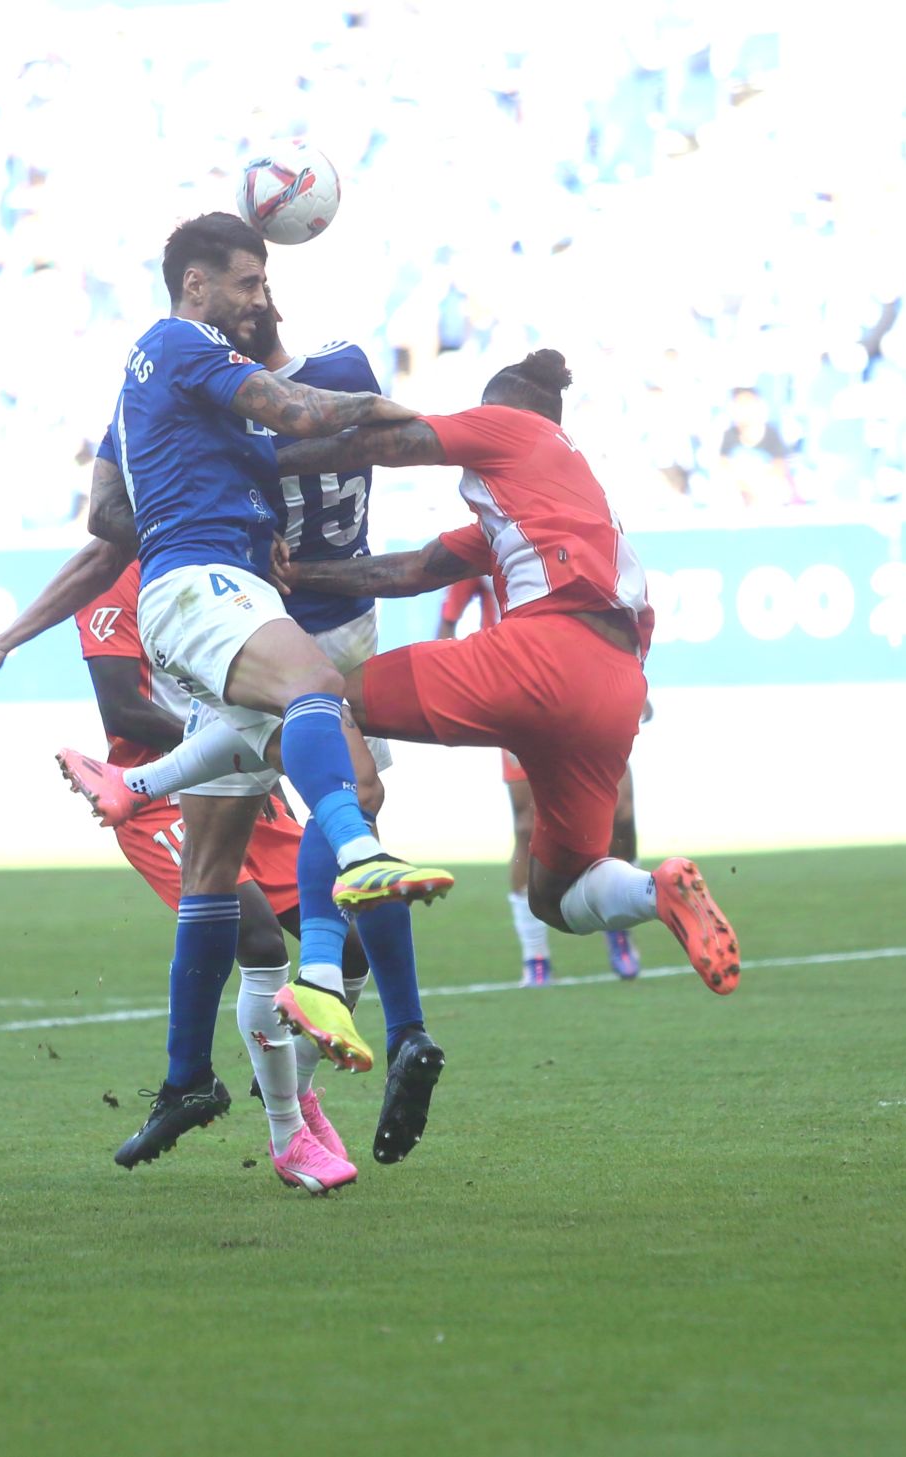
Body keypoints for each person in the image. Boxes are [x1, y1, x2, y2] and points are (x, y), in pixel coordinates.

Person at [53, 213, 450, 1192]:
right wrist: (420, 423)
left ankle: (220, 1080)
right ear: (197, 287)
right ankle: (347, 913)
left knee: (241, 843)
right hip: (229, 613)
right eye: (245, 280)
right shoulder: (185, 357)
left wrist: (232, 482)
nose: (258, 295)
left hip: (236, 608)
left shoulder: (170, 393)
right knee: (328, 741)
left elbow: (116, 504)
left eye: (264, 282)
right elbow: (303, 415)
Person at [246, 349, 741, 993]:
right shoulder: (558, 502)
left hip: (543, 656)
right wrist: (298, 576)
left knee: (322, 697)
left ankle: (345, 861)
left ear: (502, 408)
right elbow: (412, 571)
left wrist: (259, 464)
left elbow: (391, 443)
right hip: (615, 689)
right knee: (556, 897)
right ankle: (656, 891)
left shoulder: (517, 426)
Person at [74, 559, 376, 1156]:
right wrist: (242, 756)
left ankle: (292, 1087)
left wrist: (264, 768)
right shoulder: (119, 581)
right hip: (161, 795)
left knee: (349, 947)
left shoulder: (233, 561)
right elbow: (122, 712)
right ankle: (279, 1129)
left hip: (248, 774)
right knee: (259, 939)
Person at [437, 576, 645, 984]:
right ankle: (535, 956)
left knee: (620, 814)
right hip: (517, 693)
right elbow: (446, 623)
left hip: (590, 684)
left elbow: (619, 610)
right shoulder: (482, 544)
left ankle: (620, 925)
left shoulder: (578, 537)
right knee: (527, 826)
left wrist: (632, 672)